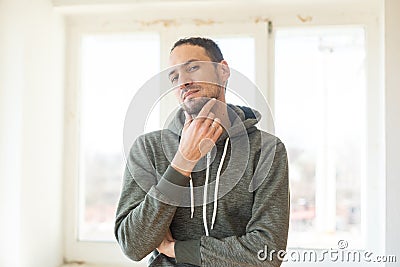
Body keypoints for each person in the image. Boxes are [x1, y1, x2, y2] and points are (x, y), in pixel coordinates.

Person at [115, 37, 290, 266]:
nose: (183, 81)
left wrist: (176, 249)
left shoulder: (267, 150)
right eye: (175, 77)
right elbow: (133, 245)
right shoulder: (148, 148)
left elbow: (268, 253)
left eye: (193, 68)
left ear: (223, 71)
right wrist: (181, 164)